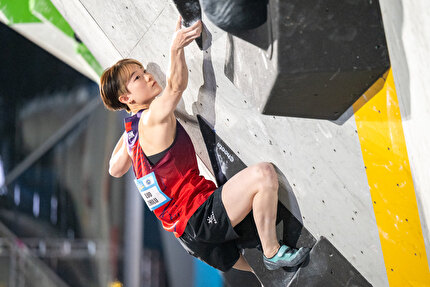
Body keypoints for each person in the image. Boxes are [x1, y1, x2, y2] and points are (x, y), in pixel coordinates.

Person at [99, 16, 309, 273]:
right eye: (137, 78)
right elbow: (176, 87)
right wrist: (176, 47)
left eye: (143, 71)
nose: (149, 76)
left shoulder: (132, 134)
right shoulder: (151, 119)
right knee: (263, 175)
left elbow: (114, 169)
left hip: (189, 238)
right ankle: (271, 252)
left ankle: (270, 260)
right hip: (199, 217)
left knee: (278, 278)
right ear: (126, 97)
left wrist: (132, 128)